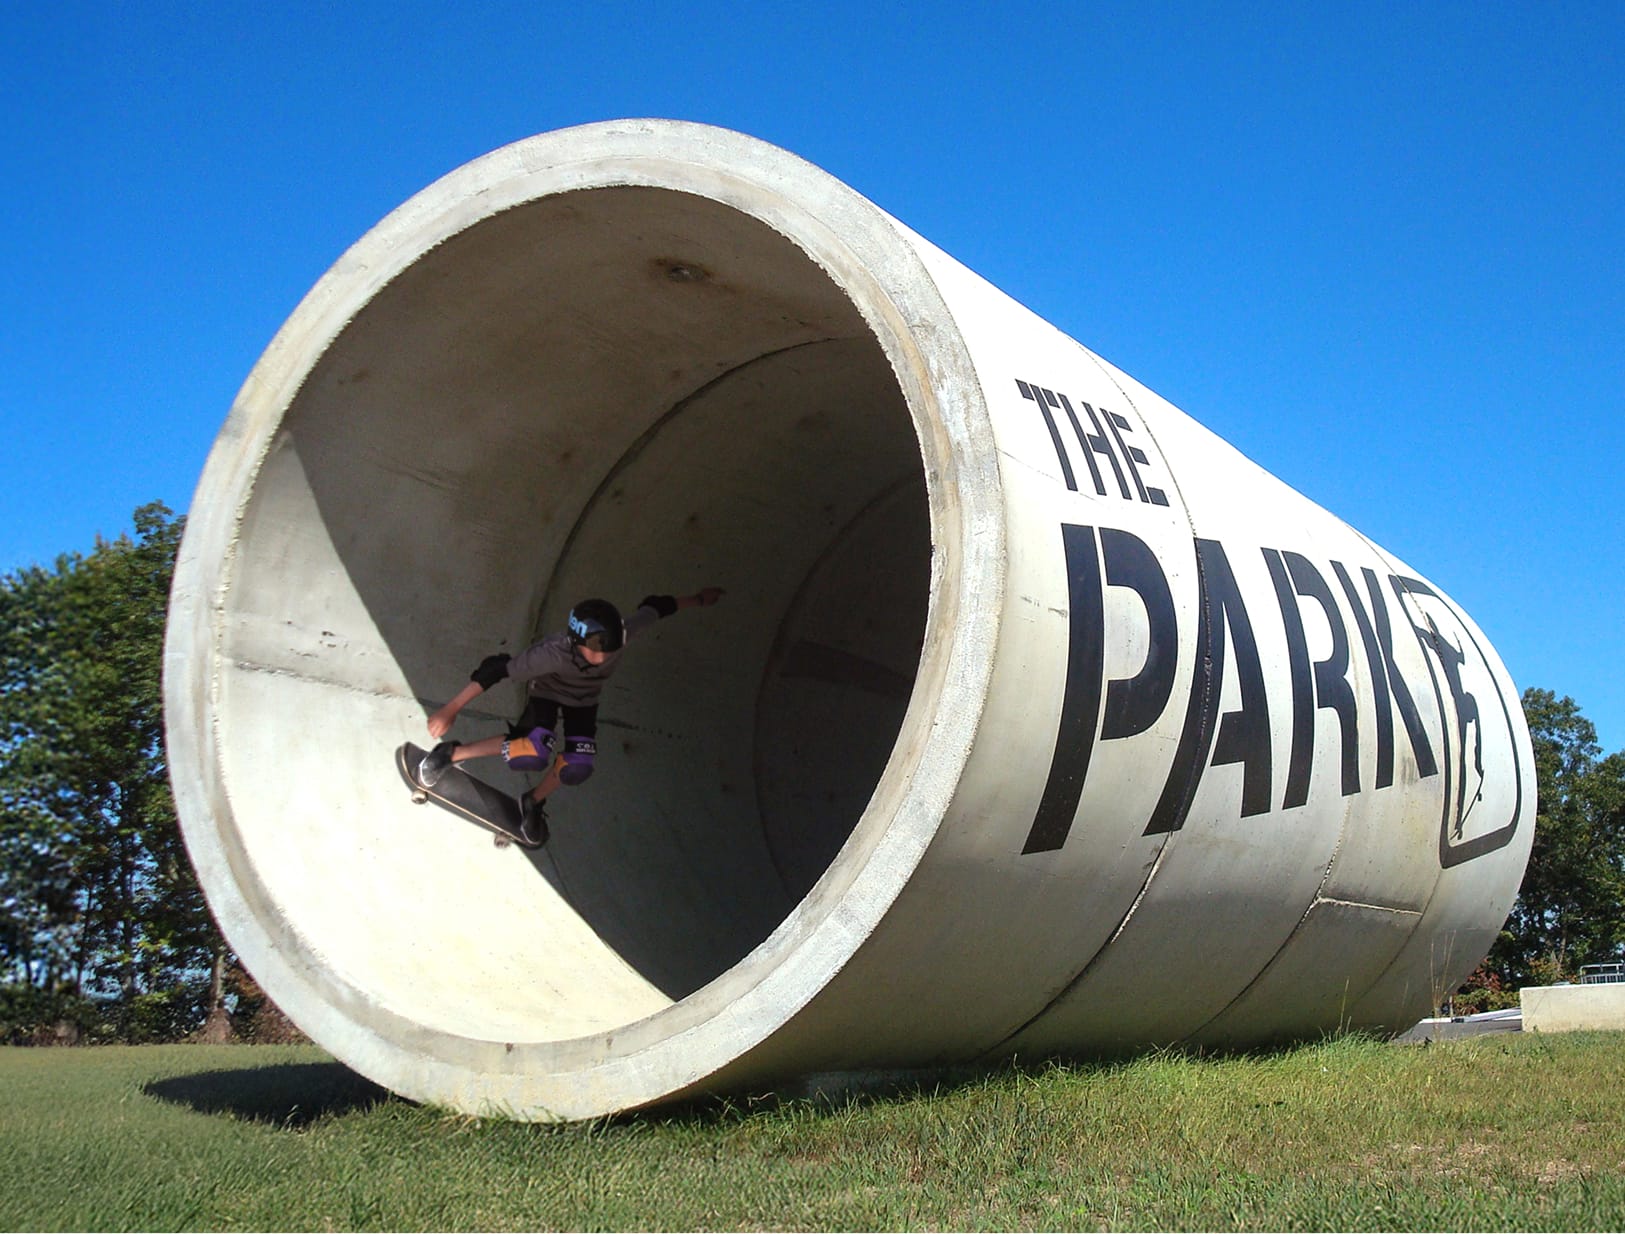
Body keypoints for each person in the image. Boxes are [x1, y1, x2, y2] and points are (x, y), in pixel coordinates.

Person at [419, 588, 725, 845]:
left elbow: (657, 607)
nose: (604, 657)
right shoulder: (551, 654)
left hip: (584, 701)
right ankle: (452, 753)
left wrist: (698, 599)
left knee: (578, 766)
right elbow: (497, 668)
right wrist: (451, 708)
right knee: (532, 752)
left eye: (611, 649)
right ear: (577, 642)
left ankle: (533, 802)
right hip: (547, 695)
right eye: (597, 651)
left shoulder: (621, 635)